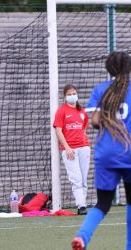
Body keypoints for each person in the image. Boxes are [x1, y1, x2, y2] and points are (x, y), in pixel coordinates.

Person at [71, 51, 131, 250]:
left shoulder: (101, 89)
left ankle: (82, 237)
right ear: (130, 68)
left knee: (102, 203)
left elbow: (94, 121)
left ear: (109, 69)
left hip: (107, 151)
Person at [53, 84, 90, 216]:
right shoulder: (61, 111)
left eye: (73, 93)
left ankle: (83, 203)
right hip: (70, 150)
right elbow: (58, 130)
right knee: (76, 178)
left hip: (84, 148)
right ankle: (81, 205)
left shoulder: (82, 111)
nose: (72, 96)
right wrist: (67, 148)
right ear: (64, 96)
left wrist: (84, 141)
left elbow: (84, 127)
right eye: (69, 94)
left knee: (84, 179)